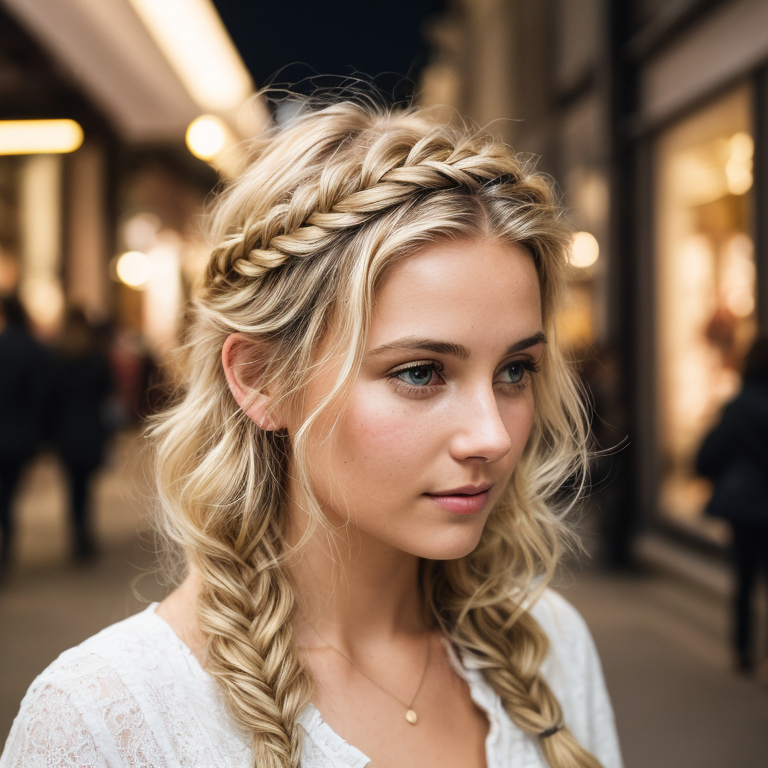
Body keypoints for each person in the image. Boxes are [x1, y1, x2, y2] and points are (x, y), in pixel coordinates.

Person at [1, 100, 622, 768]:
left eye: (515, 370)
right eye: (420, 372)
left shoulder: (550, 647)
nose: (492, 436)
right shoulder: (105, 723)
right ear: (262, 379)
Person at [696, 336, 768, 675]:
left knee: (744, 579)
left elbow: (709, 455)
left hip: (745, 506)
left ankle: (743, 653)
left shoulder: (738, 407)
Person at [50, 306, 113, 560]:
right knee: (85, 486)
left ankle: (77, 534)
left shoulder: (56, 356)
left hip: (65, 430)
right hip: (90, 427)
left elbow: (50, 398)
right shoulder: (96, 357)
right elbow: (107, 393)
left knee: (71, 486)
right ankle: (84, 536)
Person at [0, 294, 49, 571]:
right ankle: (6, 546)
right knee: (9, 495)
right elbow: (41, 397)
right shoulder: (34, 349)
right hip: (20, 437)